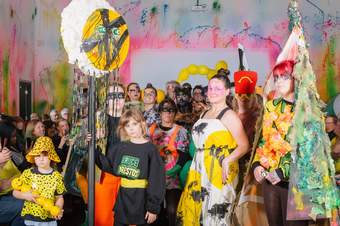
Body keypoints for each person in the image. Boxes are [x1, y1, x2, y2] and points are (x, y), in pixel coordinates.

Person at [176, 73, 249, 225]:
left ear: (227, 91)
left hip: (218, 170)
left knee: (215, 213)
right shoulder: (204, 112)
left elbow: (244, 145)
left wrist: (228, 160)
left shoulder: (229, 115)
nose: (213, 91)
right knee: (196, 210)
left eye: (218, 88)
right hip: (199, 167)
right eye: (210, 88)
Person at [251, 60, 309, 226]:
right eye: (276, 78)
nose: (278, 82)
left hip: (296, 182)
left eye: (284, 77)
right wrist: (257, 165)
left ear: (296, 79)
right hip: (270, 180)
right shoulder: (271, 106)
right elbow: (265, 140)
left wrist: (283, 171)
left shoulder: (308, 110)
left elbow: (310, 151)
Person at [95, 109, 165, 226]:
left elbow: (156, 180)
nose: (131, 128)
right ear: (124, 128)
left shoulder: (151, 150)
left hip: (142, 199)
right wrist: (92, 148)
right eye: (127, 125)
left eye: (134, 124)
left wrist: (153, 208)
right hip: (123, 199)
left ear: (142, 124)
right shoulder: (120, 147)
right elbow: (107, 165)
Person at [149, 98, 189, 226]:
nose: (168, 113)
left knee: (173, 211)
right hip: (153, 177)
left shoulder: (181, 131)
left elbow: (184, 156)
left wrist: (174, 171)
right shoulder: (151, 130)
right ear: (159, 112)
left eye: (171, 110)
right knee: (154, 213)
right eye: (165, 110)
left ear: (175, 113)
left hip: (172, 178)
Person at [13, 136, 66, 226]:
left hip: (49, 219)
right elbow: (15, 192)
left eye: (45, 155)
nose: (41, 159)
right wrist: (25, 195)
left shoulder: (56, 176)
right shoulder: (28, 173)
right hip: (30, 218)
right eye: (38, 155)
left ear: (51, 156)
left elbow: (59, 197)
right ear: (34, 157)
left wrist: (58, 208)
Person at [95, 83, 126, 226]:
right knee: (104, 217)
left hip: (127, 175)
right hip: (103, 174)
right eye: (112, 96)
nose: (116, 99)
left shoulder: (131, 120)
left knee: (127, 217)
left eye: (120, 95)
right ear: (106, 99)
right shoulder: (98, 120)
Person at [0, 122, 25, 226]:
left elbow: (18, 175)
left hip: (9, 194)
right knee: (26, 204)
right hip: (4, 200)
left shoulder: (3, 153)